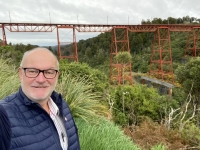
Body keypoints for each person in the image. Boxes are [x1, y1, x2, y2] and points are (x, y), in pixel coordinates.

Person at [0, 47, 80, 150]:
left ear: (57, 76)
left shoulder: (62, 105)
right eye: (32, 71)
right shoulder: (3, 115)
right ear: (21, 74)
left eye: (49, 72)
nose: (41, 80)